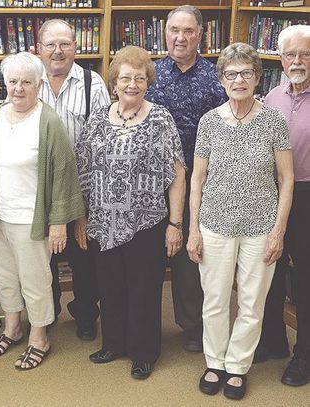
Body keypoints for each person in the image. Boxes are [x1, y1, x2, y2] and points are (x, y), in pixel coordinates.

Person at [188, 43, 294, 400]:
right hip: (214, 223)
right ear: (221, 79)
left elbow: (287, 179)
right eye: (231, 73)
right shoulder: (209, 122)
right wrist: (192, 230)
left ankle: (237, 366)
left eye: (246, 72)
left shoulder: (274, 121)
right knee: (215, 300)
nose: (238, 79)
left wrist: (279, 231)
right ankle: (214, 362)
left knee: (252, 301)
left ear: (257, 78)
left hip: (261, 226)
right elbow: (197, 179)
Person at [75, 46, 186, 380]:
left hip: (146, 221)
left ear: (148, 82)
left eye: (140, 78)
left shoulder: (160, 118)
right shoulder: (97, 118)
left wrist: (175, 224)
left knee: (144, 288)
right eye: (126, 78)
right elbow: (82, 169)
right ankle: (114, 343)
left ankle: (143, 352)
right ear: (114, 82)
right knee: (109, 286)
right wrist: (81, 218)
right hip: (103, 221)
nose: (132, 84)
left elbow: (177, 172)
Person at [0, 52, 85, 370]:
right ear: (4, 84)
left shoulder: (48, 121)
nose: (18, 88)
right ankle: (13, 327)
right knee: (5, 277)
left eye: (26, 82)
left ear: (39, 84)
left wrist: (59, 223)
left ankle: (39, 337)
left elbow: (64, 173)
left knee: (35, 280)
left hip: (31, 219)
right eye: (12, 81)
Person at [146, 4, 227, 352]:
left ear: (200, 35)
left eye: (188, 31)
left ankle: (192, 325)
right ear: (165, 33)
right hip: (150, 180)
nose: (180, 37)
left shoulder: (215, 78)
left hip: (198, 182)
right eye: (174, 30)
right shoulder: (149, 73)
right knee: (149, 253)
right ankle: (146, 327)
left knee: (189, 256)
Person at [37, 18, 110, 341]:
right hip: (40, 192)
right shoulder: (27, 81)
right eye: (50, 44)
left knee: (85, 258)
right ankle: (47, 312)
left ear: (75, 48)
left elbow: (104, 144)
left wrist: (86, 204)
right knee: (43, 257)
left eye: (65, 44)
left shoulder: (93, 84)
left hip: (84, 191)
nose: (57, 51)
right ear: (38, 49)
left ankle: (84, 314)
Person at [258, 24, 310, 387]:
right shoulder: (271, 97)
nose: (298, 61)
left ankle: (304, 355)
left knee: (305, 279)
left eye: (305, 54)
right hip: (272, 194)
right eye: (291, 54)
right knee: (269, 272)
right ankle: (273, 340)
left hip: (307, 196)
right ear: (280, 59)